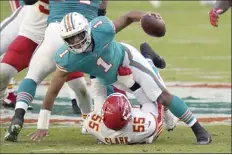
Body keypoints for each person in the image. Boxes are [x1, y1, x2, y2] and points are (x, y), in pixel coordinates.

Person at [29, 11, 211, 145]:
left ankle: (199, 129)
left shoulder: (102, 29)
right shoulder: (65, 57)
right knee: (106, 118)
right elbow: (52, 90)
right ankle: (150, 57)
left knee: (161, 96)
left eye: (78, 35)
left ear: (87, 30)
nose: (76, 42)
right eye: (70, 39)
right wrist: (42, 124)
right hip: (106, 78)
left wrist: (145, 17)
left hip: (127, 60)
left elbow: (128, 17)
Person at [4, 0, 108, 142]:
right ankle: (94, 122)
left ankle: (18, 116)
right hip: (85, 34)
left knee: (32, 77)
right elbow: (102, 12)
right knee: (98, 79)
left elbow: (28, 1)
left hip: (56, 32)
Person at [83, 93, 164, 144]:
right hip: (140, 134)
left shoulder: (90, 122)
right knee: (156, 98)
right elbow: (156, 124)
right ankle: (170, 119)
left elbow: (89, 119)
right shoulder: (146, 124)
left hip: (107, 134)